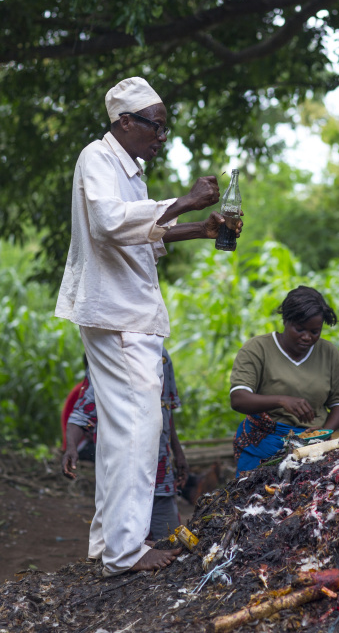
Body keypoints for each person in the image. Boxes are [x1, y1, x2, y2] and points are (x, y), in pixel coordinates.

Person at [55, 76, 242, 577]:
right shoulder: (97, 157)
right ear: (124, 122)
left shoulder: (129, 170)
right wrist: (182, 201)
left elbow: (144, 235)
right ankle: (125, 552)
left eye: (164, 127)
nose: (162, 137)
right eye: (156, 127)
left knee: (123, 430)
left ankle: (107, 542)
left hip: (127, 312)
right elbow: (110, 224)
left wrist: (200, 229)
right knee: (140, 428)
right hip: (117, 314)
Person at [62, 349, 188, 542]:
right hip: (122, 471)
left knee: (171, 540)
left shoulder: (161, 355)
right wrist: (71, 447)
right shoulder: (108, 353)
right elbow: (83, 412)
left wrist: (178, 453)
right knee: (124, 541)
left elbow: (166, 409)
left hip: (160, 471)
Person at [230, 286, 339, 475]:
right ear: (285, 320)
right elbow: (238, 398)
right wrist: (281, 400)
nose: (307, 337)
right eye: (299, 329)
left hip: (314, 448)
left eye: (314, 331)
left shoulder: (329, 353)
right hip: (265, 444)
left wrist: (323, 435)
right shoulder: (257, 349)